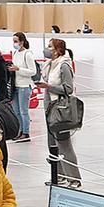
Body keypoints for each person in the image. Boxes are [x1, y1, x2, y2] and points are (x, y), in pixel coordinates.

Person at [36, 38, 80, 188]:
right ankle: (59, 177)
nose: (47, 49)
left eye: (50, 47)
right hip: (49, 109)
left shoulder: (64, 65)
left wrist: (48, 86)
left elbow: (68, 89)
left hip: (60, 110)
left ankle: (74, 179)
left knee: (64, 144)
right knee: (52, 145)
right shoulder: (49, 65)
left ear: (58, 50)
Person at [8, 32, 37, 142]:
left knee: (23, 111)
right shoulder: (15, 53)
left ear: (22, 42)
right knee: (16, 111)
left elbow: (33, 71)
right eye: (13, 41)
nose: (14, 43)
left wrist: (18, 69)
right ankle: (19, 130)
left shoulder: (27, 54)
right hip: (16, 85)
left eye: (16, 41)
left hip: (25, 85)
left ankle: (25, 132)